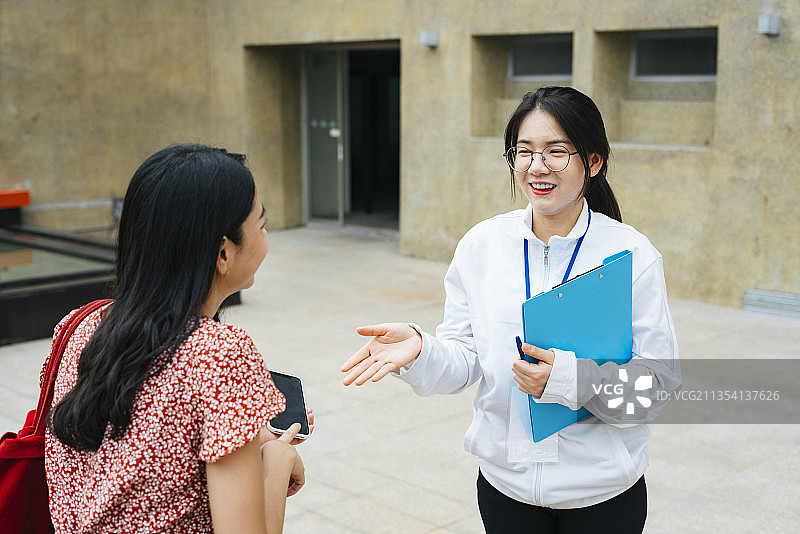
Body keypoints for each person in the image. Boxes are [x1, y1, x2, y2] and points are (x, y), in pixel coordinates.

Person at [341, 86, 681, 533]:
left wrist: (568, 380)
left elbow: (657, 385)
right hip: (505, 491)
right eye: (524, 152)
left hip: (603, 498)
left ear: (593, 162)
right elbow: (465, 360)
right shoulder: (481, 246)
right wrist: (423, 350)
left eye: (557, 152)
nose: (537, 167)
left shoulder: (631, 255)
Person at [46, 145, 309, 534]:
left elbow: (136, 449)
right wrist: (277, 461)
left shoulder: (80, 326)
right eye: (262, 224)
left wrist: (243, 434)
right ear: (223, 252)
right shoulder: (220, 355)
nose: (265, 234)